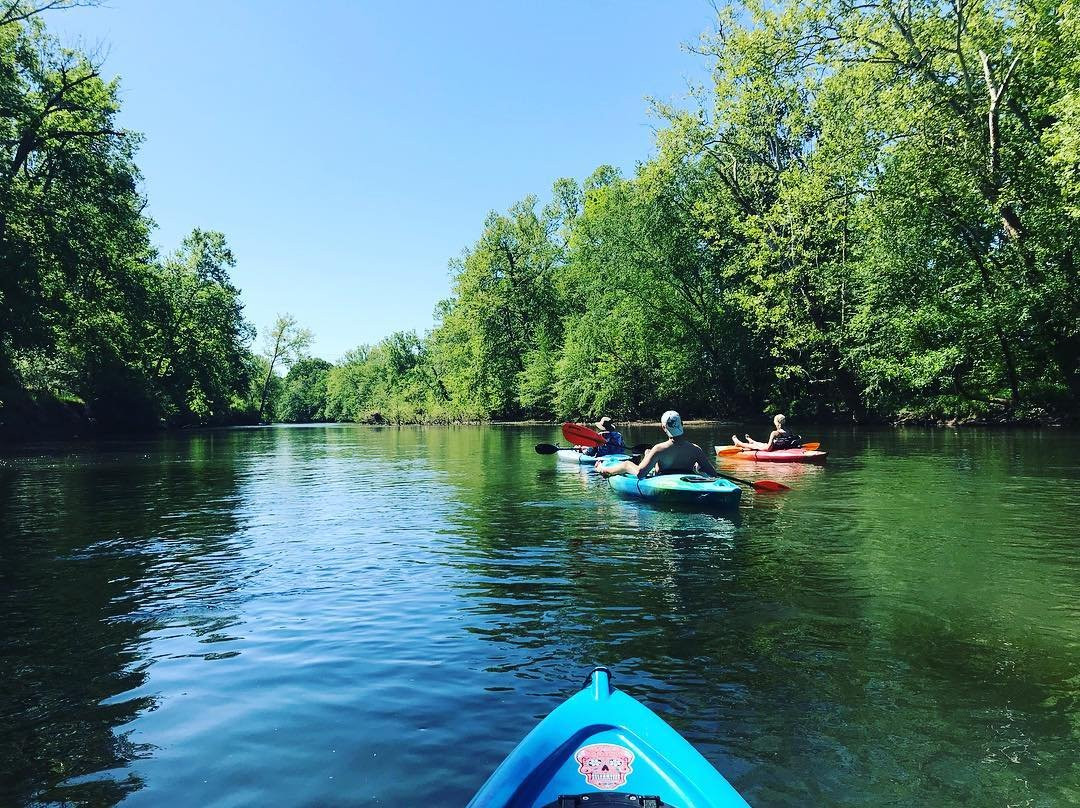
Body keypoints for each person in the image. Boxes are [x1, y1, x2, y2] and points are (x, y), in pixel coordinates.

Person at [596, 410, 717, 478]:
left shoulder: (659, 449)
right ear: (682, 424)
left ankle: (603, 469)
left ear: (663, 428)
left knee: (627, 464)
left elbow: (640, 474)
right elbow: (712, 473)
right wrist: (698, 466)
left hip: (663, 480)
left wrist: (650, 454)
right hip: (686, 478)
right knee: (649, 454)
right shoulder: (695, 449)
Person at [732, 414, 802, 451]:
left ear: (776, 423)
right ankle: (751, 440)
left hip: (773, 447)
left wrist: (762, 448)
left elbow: (768, 448)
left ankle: (738, 443)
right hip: (779, 446)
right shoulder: (789, 431)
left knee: (754, 446)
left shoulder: (775, 433)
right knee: (762, 444)